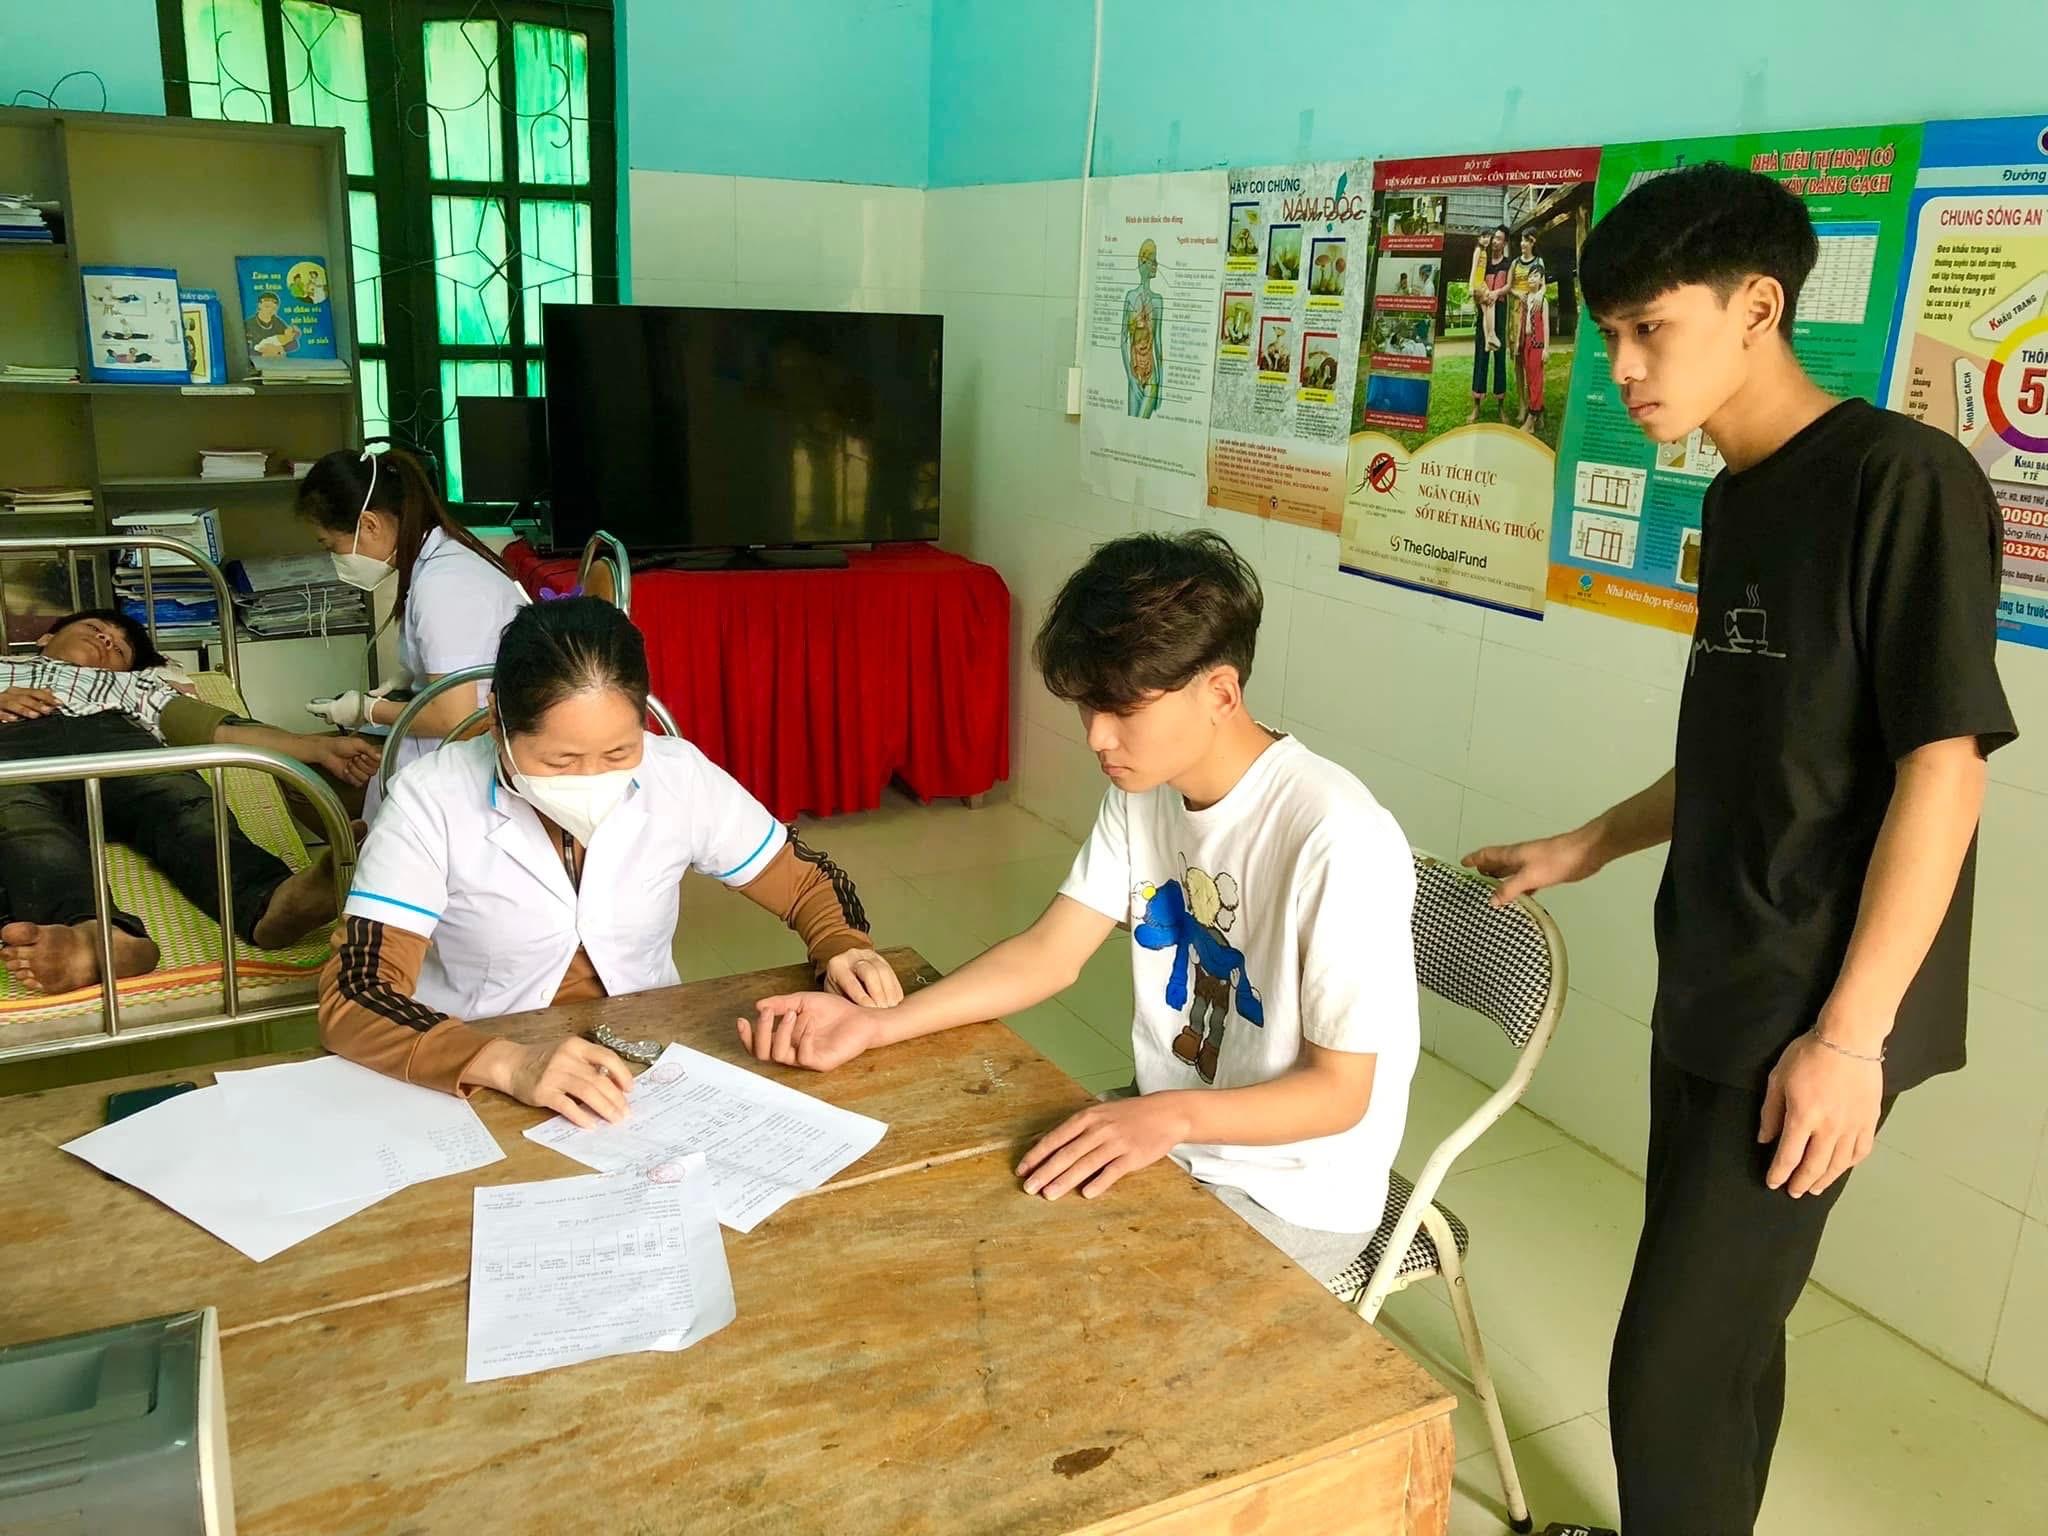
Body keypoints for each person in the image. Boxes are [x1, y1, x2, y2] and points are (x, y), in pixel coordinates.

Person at [1464, 162, 2016, 1536]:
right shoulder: (1737, 495)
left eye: (1650, 329)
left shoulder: (1902, 479)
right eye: (1609, 336)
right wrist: (1591, 843)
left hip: (1811, 1003)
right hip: (1716, 965)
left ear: (1758, 307)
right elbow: (1754, 746)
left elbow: (1943, 770)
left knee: (1667, 1368)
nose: (1622, 368)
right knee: (1726, 1341)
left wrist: (1849, 1039)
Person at [736, 533, 1421, 1287]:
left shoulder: (1337, 838)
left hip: (1291, 1193)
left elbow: (1340, 1093)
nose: (1098, 736)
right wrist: (877, 1026)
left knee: (1064, 1303)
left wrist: (1169, 1117)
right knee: (947, 1243)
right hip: (1171, 1135)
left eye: (1122, 709)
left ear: (1221, 694)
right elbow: (1050, 954)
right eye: (1090, 708)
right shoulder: (1147, 791)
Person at [319, 598, 902, 1126]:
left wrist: (842, 947)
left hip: (649, 1058)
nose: (592, 779)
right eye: (561, 761)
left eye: (620, 751)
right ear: (497, 724)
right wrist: (506, 1063)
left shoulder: (677, 775)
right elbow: (356, 993)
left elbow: (806, 883)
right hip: (480, 1066)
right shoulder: (430, 801)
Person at [0, 610, 377, 993]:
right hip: (13, 754)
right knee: (24, 827)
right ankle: (93, 935)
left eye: (120, 650)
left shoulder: (134, 684)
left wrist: (317, 747)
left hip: (117, 746)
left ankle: (272, 903)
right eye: (95, 629)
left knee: (184, 804)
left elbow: (214, 727)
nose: (106, 641)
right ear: (46, 638)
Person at [297, 446, 529, 817]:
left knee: (300, 781)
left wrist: (368, 710)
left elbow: (455, 720)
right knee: (320, 760)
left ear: (369, 525)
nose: (334, 558)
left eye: (331, 545)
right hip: (464, 741)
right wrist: (412, 676)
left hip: (471, 758)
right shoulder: (441, 556)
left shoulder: (443, 584)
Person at [1466, 226, 1511, 422]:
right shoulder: (1483, 260)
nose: (1495, 241)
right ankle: (1476, 405)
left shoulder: (1508, 264)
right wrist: (1479, 296)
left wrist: (1496, 293)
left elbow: (1509, 286)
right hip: (1483, 313)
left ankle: (1501, 405)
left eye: (1499, 239)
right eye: (1494, 238)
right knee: (1480, 358)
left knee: (1500, 360)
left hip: (1499, 314)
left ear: (1505, 242)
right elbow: (1476, 282)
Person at [1509, 230, 1549, 435]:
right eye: (1522, 240)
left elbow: (1543, 285)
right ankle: (1524, 405)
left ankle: (1535, 413)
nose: (1523, 243)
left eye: (1527, 240)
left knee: (1535, 373)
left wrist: (1540, 294)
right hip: (1519, 311)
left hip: (1536, 322)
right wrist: (1520, 294)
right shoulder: (1515, 263)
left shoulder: (1539, 262)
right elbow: (1509, 286)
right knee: (1521, 364)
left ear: (1533, 242)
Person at [1122, 239, 1165, 418]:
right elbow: (1123, 341)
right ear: (1143, 261)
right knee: (1130, 424)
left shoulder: (1158, 301)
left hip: (1151, 376)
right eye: (1153, 260)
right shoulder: (1130, 297)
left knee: (1141, 420)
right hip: (1134, 372)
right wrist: (1130, 378)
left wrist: (1161, 385)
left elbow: (1158, 343)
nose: (1156, 265)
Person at [245, 291, 297, 361]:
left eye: (273, 308)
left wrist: (279, 348)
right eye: (267, 306)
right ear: (259, 305)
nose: (270, 310)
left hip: (276, 362)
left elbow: (294, 344)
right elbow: (242, 348)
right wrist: (263, 352)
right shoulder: (248, 324)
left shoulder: (278, 322)